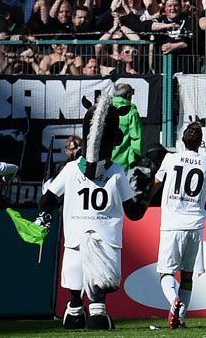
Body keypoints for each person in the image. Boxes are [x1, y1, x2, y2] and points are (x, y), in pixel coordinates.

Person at [40, 90, 150, 330]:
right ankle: (98, 310)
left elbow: (47, 199)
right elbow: (133, 211)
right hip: (105, 235)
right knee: (100, 271)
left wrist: (44, 213)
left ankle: (74, 309)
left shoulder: (70, 169)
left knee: (76, 269)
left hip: (76, 233)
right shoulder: (116, 171)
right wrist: (148, 197)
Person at [152, 121, 206, 330]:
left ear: (183, 140)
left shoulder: (170, 159)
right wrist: (201, 213)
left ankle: (173, 301)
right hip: (195, 225)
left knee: (166, 272)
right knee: (188, 275)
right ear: (201, 143)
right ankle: (180, 319)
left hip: (172, 224)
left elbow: (156, 182)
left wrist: (146, 202)